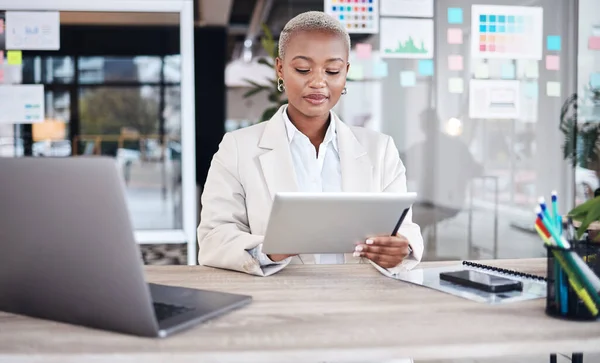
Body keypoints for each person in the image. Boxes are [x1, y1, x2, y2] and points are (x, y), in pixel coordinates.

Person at [197, 11, 423, 277]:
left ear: (346, 72)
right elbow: (214, 238)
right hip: (276, 303)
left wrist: (400, 248)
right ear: (280, 69)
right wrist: (270, 250)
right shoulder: (237, 148)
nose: (318, 82)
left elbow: (404, 228)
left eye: (332, 70)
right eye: (303, 69)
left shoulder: (380, 149)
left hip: (360, 302)